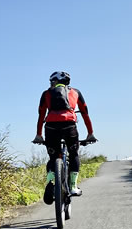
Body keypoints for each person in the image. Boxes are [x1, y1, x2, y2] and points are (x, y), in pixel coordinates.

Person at [32, 71, 97, 203]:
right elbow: (85, 113)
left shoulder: (46, 94)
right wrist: (90, 133)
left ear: (54, 81)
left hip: (50, 127)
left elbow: (40, 115)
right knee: (73, 154)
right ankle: (73, 186)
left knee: (53, 157)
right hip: (69, 127)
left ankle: (50, 182)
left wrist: (38, 135)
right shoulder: (76, 92)